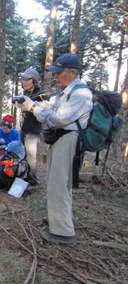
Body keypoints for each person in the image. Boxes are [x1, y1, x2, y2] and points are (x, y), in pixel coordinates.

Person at [14, 53, 92, 244]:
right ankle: (58, 219)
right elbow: (53, 105)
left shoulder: (81, 94)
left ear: (72, 73)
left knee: (58, 183)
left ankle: (62, 232)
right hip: (61, 139)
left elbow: (59, 119)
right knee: (59, 182)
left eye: (59, 73)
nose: (56, 77)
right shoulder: (67, 91)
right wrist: (35, 104)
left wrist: (34, 108)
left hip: (68, 139)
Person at [19, 67, 43, 184]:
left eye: (26, 79)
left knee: (31, 156)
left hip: (34, 130)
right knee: (22, 153)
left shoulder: (41, 95)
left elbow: (42, 114)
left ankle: (32, 179)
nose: (23, 81)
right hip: (24, 128)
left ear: (33, 80)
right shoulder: (25, 93)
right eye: (22, 79)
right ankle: (23, 176)